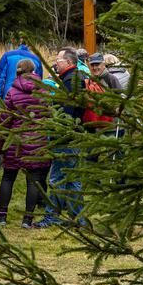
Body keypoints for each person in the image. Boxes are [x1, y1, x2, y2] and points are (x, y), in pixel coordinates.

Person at [0, 59, 49, 228]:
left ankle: (1, 217)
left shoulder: (12, 92)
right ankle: (27, 220)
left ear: (17, 72)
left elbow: (5, 120)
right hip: (37, 141)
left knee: (8, 177)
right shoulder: (44, 91)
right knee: (33, 180)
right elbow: (49, 116)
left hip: (15, 140)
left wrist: (1, 144)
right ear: (34, 71)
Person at [40, 48, 87, 227]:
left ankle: (51, 217)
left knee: (57, 178)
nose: (55, 63)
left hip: (65, 136)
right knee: (72, 179)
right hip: (73, 135)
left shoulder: (71, 81)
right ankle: (79, 219)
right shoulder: (74, 78)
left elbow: (68, 112)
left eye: (58, 60)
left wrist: (59, 130)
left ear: (68, 62)